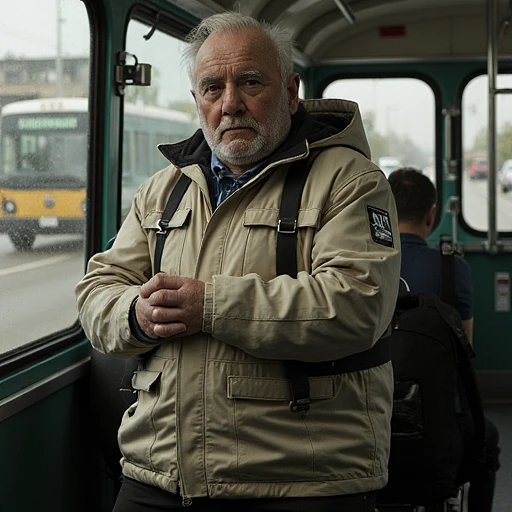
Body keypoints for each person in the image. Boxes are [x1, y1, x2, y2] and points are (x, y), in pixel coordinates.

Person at [76, 11, 401, 512]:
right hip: (159, 471)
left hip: (299, 479)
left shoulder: (350, 181)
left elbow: (358, 304)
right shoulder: (163, 191)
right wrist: (135, 316)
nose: (230, 104)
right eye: (212, 88)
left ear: (291, 92)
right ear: (197, 102)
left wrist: (210, 305)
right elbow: (100, 287)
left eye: (250, 82)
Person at [388, 167, 500, 512]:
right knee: (489, 439)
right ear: (432, 215)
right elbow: (464, 352)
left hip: (363, 426)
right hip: (438, 430)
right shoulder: (454, 269)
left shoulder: (357, 263)